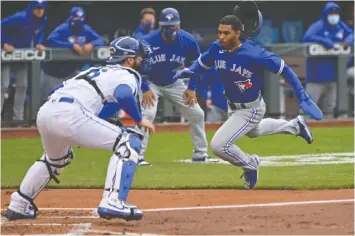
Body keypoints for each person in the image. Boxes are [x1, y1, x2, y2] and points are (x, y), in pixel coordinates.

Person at [5, 36, 155, 221]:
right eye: (140, 57)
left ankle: (19, 204)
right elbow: (123, 94)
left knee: (56, 159)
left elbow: (60, 89)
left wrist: (88, 125)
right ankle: (113, 201)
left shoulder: (96, 70)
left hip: (47, 111)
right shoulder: (127, 74)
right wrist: (139, 120)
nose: (142, 61)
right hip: (71, 113)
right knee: (128, 144)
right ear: (130, 59)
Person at [174, 14, 323, 190]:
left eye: (226, 33)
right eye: (219, 32)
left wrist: (302, 96)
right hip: (233, 105)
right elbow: (202, 63)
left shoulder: (255, 53)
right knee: (254, 131)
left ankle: (250, 163)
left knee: (218, 145)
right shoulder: (217, 48)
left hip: (250, 108)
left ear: (238, 33)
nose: (221, 36)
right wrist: (190, 71)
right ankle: (295, 126)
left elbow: (286, 70)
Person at [139, 8, 209, 166]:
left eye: (174, 27)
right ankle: (137, 156)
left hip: (175, 81)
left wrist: (191, 88)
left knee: (197, 113)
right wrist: (145, 89)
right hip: (151, 82)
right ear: (160, 25)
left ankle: (200, 155)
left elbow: (197, 65)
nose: (170, 30)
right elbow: (137, 68)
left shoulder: (188, 40)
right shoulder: (148, 40)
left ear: (179, 25)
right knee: (148, 114)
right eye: (166, 27)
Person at [303, 2, 354, 118]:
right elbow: (307, 37)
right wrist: (327, 42)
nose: (334, 15)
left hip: (333, 78)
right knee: (308, 109)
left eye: (336, 13)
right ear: (326, 14)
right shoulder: (318, 26)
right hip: (315, 77)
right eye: (331, 13)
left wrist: (347, 42)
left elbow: (352, 34)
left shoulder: (340, 26)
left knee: (329, 110)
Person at [41, 6, 105, 100]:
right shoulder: (63, 28)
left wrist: (91, 44)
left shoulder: (85, 29)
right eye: (76, 18)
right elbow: (50, 41)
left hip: (70, 72)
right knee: (49, 101)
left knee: (74, 99)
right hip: (52, 73)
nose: (78, 20)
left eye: (81, 18)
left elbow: (100, 40)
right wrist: (71, 46)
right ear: (71, 18)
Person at [1, 0, 47, 126]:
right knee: (3, 85)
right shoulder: (20, 17)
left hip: (22, 53)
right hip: (6, 53)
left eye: (42, 8)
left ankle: (18, 119)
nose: (40, 10)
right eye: (37, 8)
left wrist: (38, 42)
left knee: (23, 86)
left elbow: (39, 32)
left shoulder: (43, 19)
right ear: (32, 8)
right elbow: (1, 26)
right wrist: (4, 43)